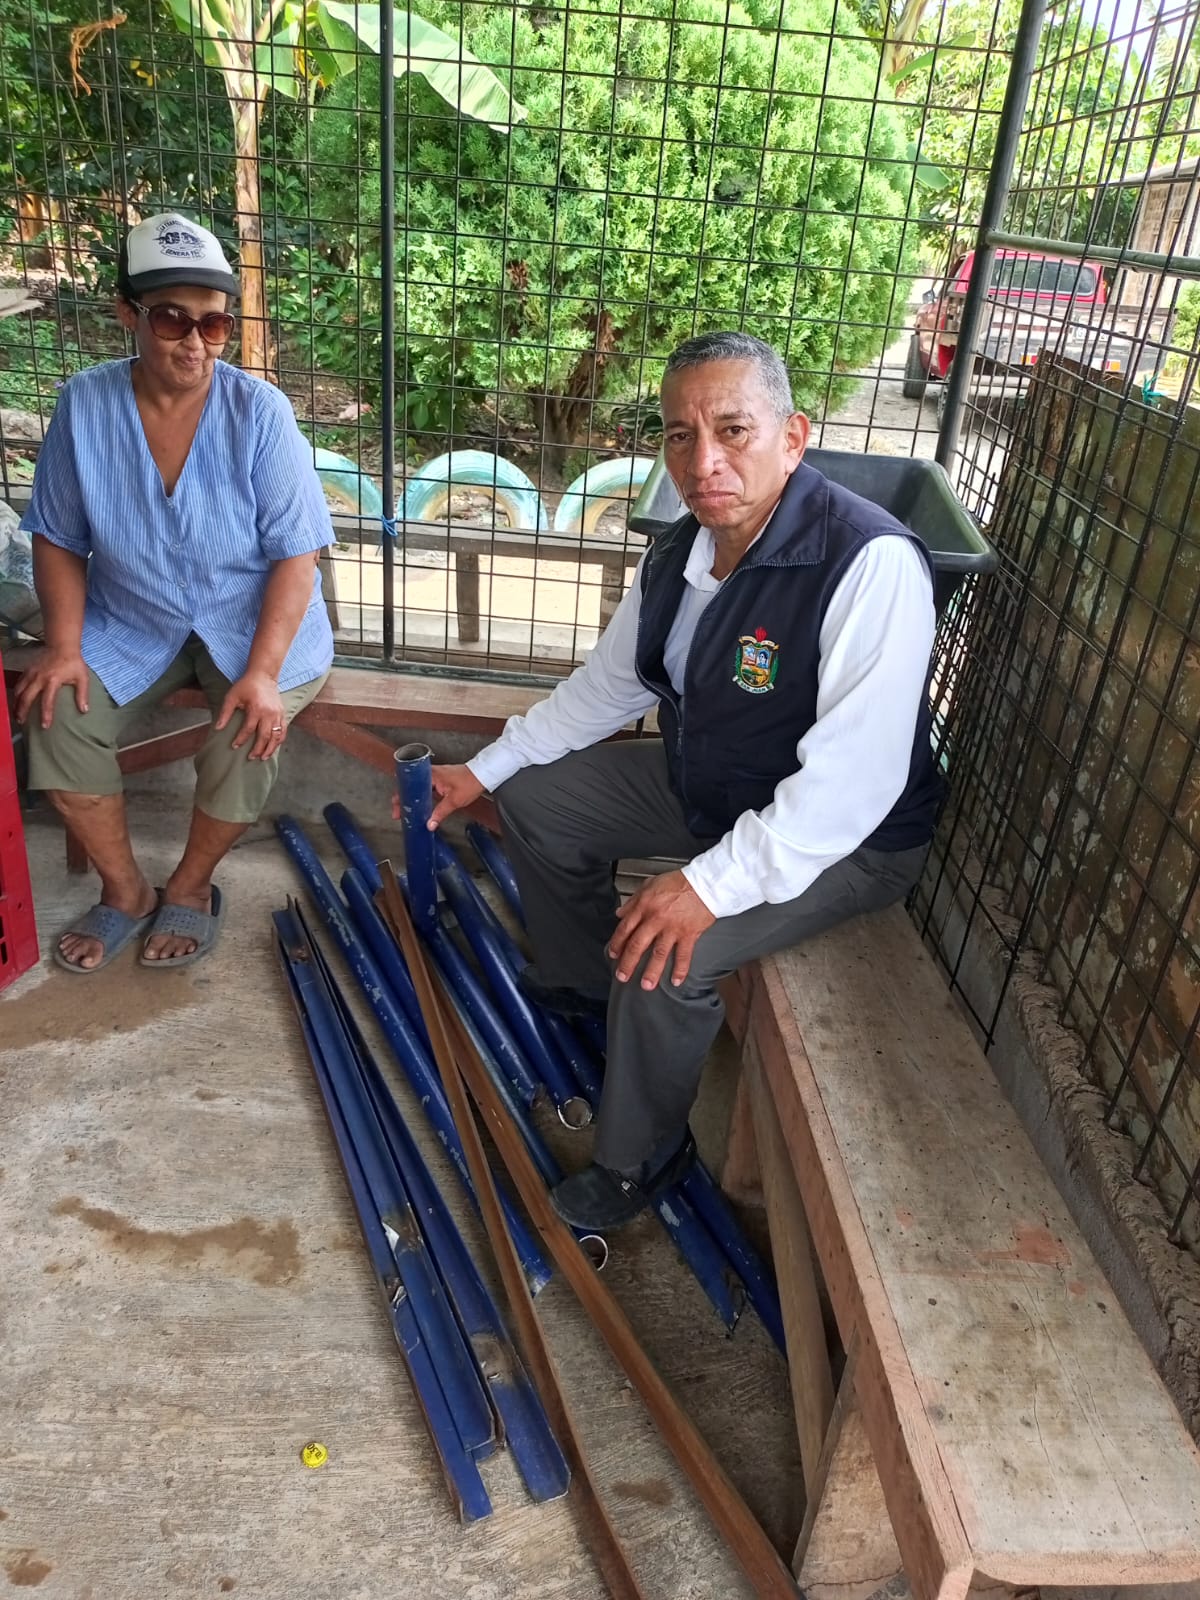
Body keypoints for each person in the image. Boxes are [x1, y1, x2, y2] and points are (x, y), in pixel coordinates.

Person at [427, 330, 944, 1232]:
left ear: (793, 437)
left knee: (667, 955)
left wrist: (705, 887)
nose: (703, 462)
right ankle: (586, 985)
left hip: (847, 841)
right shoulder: (680, 552)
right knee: (538, 800)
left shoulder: (870, 563)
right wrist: (484, 768)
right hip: (714, 784)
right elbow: (606, 689)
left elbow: (849, 786)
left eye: (733, 430)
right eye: (678, 435)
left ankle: (642, 1157)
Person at [15, 212, 335, 972]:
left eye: (214, 323)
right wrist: (64, 648)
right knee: (57, 717)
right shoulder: (85, 404)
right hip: (133, 618)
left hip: (256, 624)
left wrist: (263, 674)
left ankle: (190, 885)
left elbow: (299, 558)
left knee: (247, 729)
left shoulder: (259, 413)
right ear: (127, 314)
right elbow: (56, 536)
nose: (195, 342)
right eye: (171, 319)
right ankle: (125, 891)